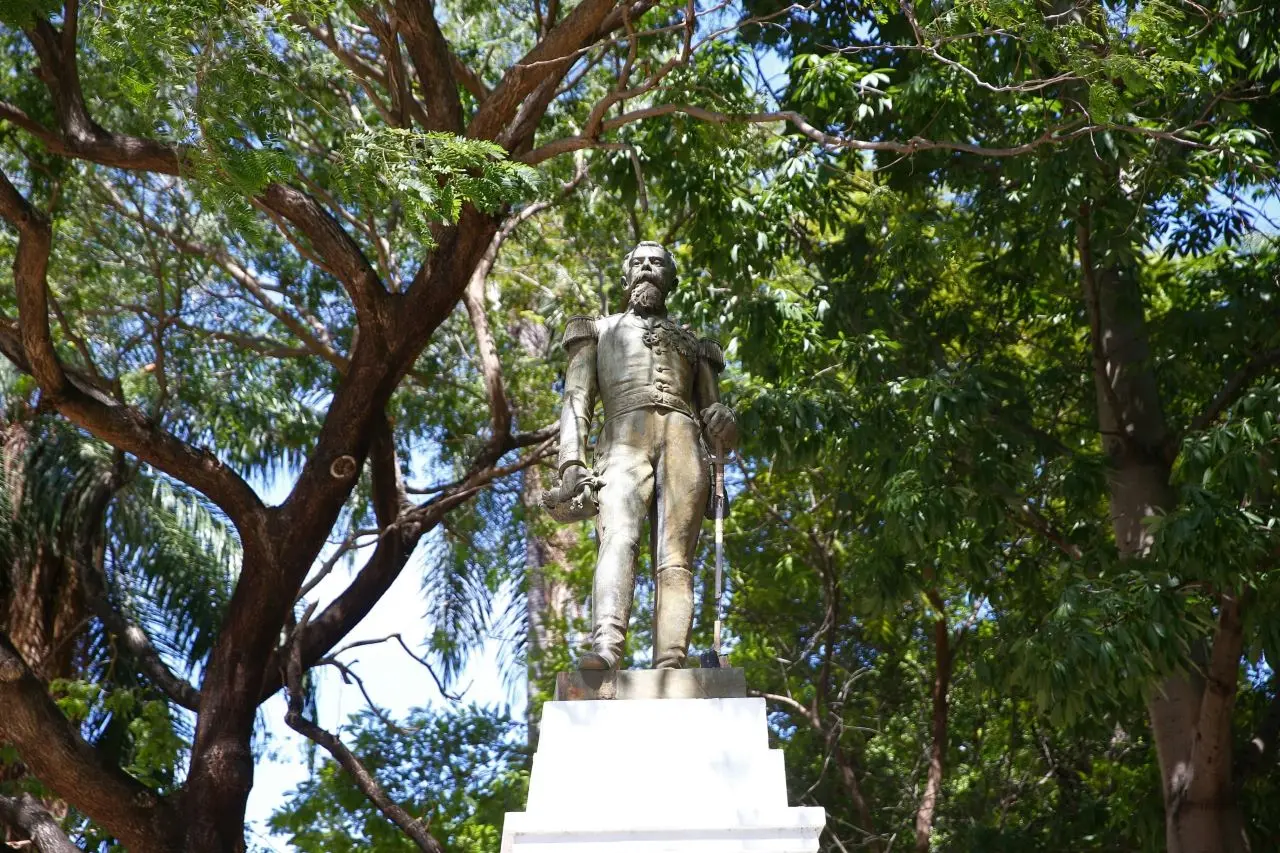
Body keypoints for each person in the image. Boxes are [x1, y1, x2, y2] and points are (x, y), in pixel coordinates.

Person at [543, 241, 738, 669]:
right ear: (626, 275)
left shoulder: (694, 344)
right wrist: (571, 464)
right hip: (621, 439)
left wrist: (724, 420)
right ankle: (606, 651)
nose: (647, 268)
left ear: (671, 279)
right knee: (619, 538)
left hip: (684, 440)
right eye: (638, 262)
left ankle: (671, 663)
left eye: (657, 263)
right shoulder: (597, 330)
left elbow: (714, 414)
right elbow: (576, 400)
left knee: (676, 559)